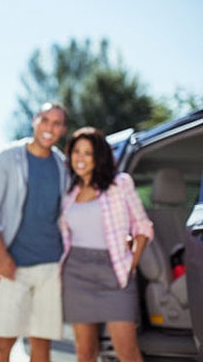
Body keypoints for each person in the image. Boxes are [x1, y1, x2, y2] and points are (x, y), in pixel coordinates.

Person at [0, 102, 69, 362]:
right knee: (4, 343)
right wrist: (1, 253)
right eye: (45, 121)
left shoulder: (62, 165)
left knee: (42, 345)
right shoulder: (7, 157)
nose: (49, 128)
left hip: (51, 267)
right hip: (13, 265)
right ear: (35, 121)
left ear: (63, 129)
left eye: (56, 123)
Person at [59, 127, 153, 362]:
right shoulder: (68, 193)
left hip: (115, 271)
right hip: (76, 273)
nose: (80, 158)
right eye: (76, 152)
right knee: (85, 353)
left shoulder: (119, 184)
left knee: (127, 351)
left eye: (88, 153)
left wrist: (131, 265)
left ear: (98, 156)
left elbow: (143, 227)